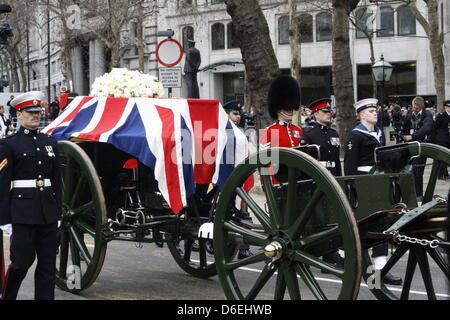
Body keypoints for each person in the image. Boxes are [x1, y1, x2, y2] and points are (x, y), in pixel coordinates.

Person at [0, 91, 62, 300]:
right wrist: (5, 219)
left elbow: (57, 181)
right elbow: (2, 184)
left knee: (47, 268)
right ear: (19, 114)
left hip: (48, 213)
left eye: (38, 112)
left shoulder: (50, 142)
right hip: (22, 214)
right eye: (30, 112)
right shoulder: (9, 144)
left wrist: (58, 213)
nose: (36, 116)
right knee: (21, 264)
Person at [344, 98, 402, 285]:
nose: (375, 113)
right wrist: (352, 191)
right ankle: (353, 262)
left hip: (379, 183)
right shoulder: (355, 135)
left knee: (382, 226)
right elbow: (350, 167)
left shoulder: (378, 133)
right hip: (363, 185)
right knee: (367, 228)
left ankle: (380, 270)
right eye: (370, 111)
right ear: (361, 115)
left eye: (375, 110)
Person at [300, 97, 343, 268]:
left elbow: (337, 160)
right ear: (316, 114)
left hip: (332, 177)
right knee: (318, 219)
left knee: (331, 218)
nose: (328, 114)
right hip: (316, 179)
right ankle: (312, 252)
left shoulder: (334, 133)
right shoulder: (309, 134)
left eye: (329, 112)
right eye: (325, 112)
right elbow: (304, 161)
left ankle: (330, 255)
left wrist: (340, 180)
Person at [223, 99, 253, 260]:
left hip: (239, 175)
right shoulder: (220, 131)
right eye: (235, 113)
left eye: (239, 113)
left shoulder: (241, 131)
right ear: (227, 114)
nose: (238, 116)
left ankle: (243, 247)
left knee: (242, 213)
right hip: (225, 175)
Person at [402, 96, 433, 200]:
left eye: (416, 108)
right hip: (410, 145)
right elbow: (405, 127)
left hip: (421, 146)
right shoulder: (409, 114)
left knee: (418, 171)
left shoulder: (427, 115)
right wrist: (403, 136)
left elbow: (427, 128)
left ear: (421, 107)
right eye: (413, 107)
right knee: (409, 171)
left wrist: (413, 136)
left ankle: (418, 196)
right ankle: (409, 194)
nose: (414, 109)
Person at [260, 75, 303, 151]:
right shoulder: (272, 131)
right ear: (278, 110)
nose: (291, 111)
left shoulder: (298, 131)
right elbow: (269, 160)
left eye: (292, 109)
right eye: (287, 109)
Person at [431, 100, 450, 180]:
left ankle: (443, 174)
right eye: (448, 107)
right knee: (442, 157)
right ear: (445, 107)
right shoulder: (441, 115)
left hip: (448, 139)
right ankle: (442, 174)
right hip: (441, 140)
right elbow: (434, 128)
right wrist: (435, 139)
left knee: (447, 157)